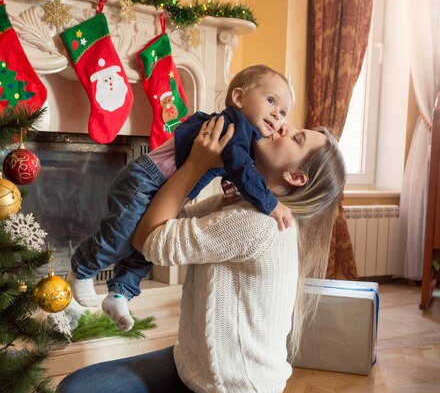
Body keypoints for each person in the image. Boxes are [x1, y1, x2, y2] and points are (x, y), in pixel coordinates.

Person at [54, 115, 346, 393]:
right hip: (191, 367)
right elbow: (168, 216)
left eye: (297, 138)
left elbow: (150, 240)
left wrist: (195, 164)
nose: (282, 126)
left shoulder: (257, 224)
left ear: (296, 177)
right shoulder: (243, 206)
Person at [68, 64, 294, 331]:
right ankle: (82, 268)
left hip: (168, 190)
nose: (276, 116)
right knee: (120, 236)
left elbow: (235, 167)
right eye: (270, 101)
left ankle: (120, 293)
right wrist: (269, 203)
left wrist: (231, 186)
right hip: (145, 178)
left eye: (282, 113)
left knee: (146, 245)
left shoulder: (243, 138)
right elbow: (239, 166)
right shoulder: (233, 125)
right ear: (239, 98)